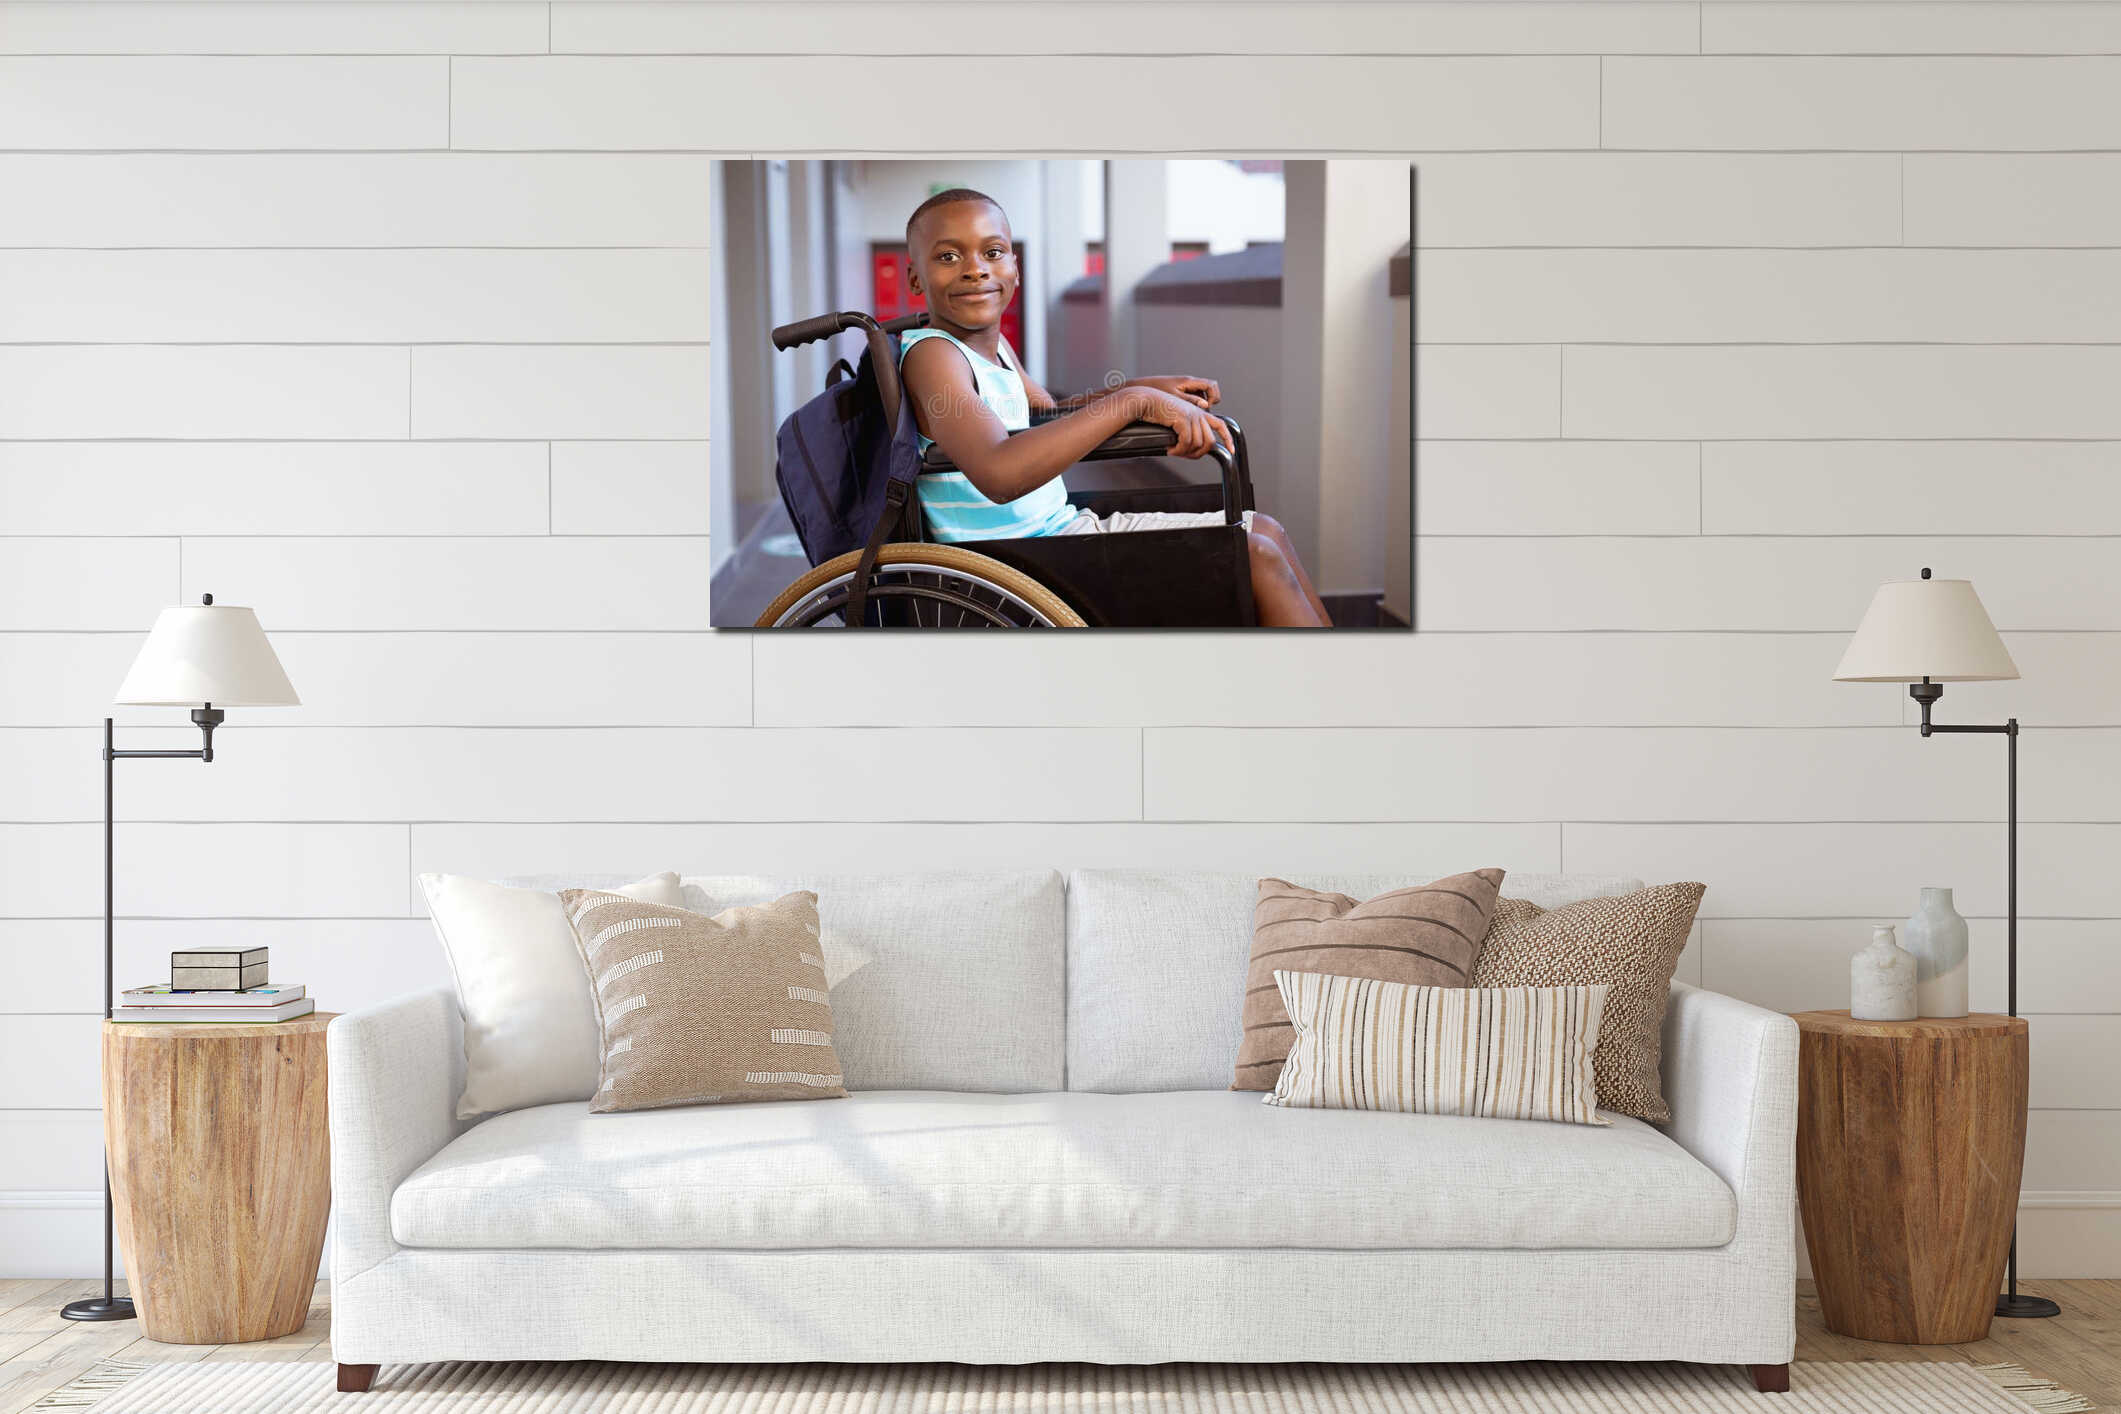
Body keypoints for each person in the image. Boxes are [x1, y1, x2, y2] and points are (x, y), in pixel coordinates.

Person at [896, 188, 1331, 628]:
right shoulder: (935, 356)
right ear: (915, 279)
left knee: (1265, 530)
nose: (975, 270)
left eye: (993, 252)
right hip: (1009, 566)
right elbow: (999, 474)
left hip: (1054, 536)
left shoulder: (996, 349)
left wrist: (1144, 389)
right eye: (949, 257)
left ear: (1015, 267)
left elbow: (1050, 412)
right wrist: (1131, 402)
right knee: (1254, 554)